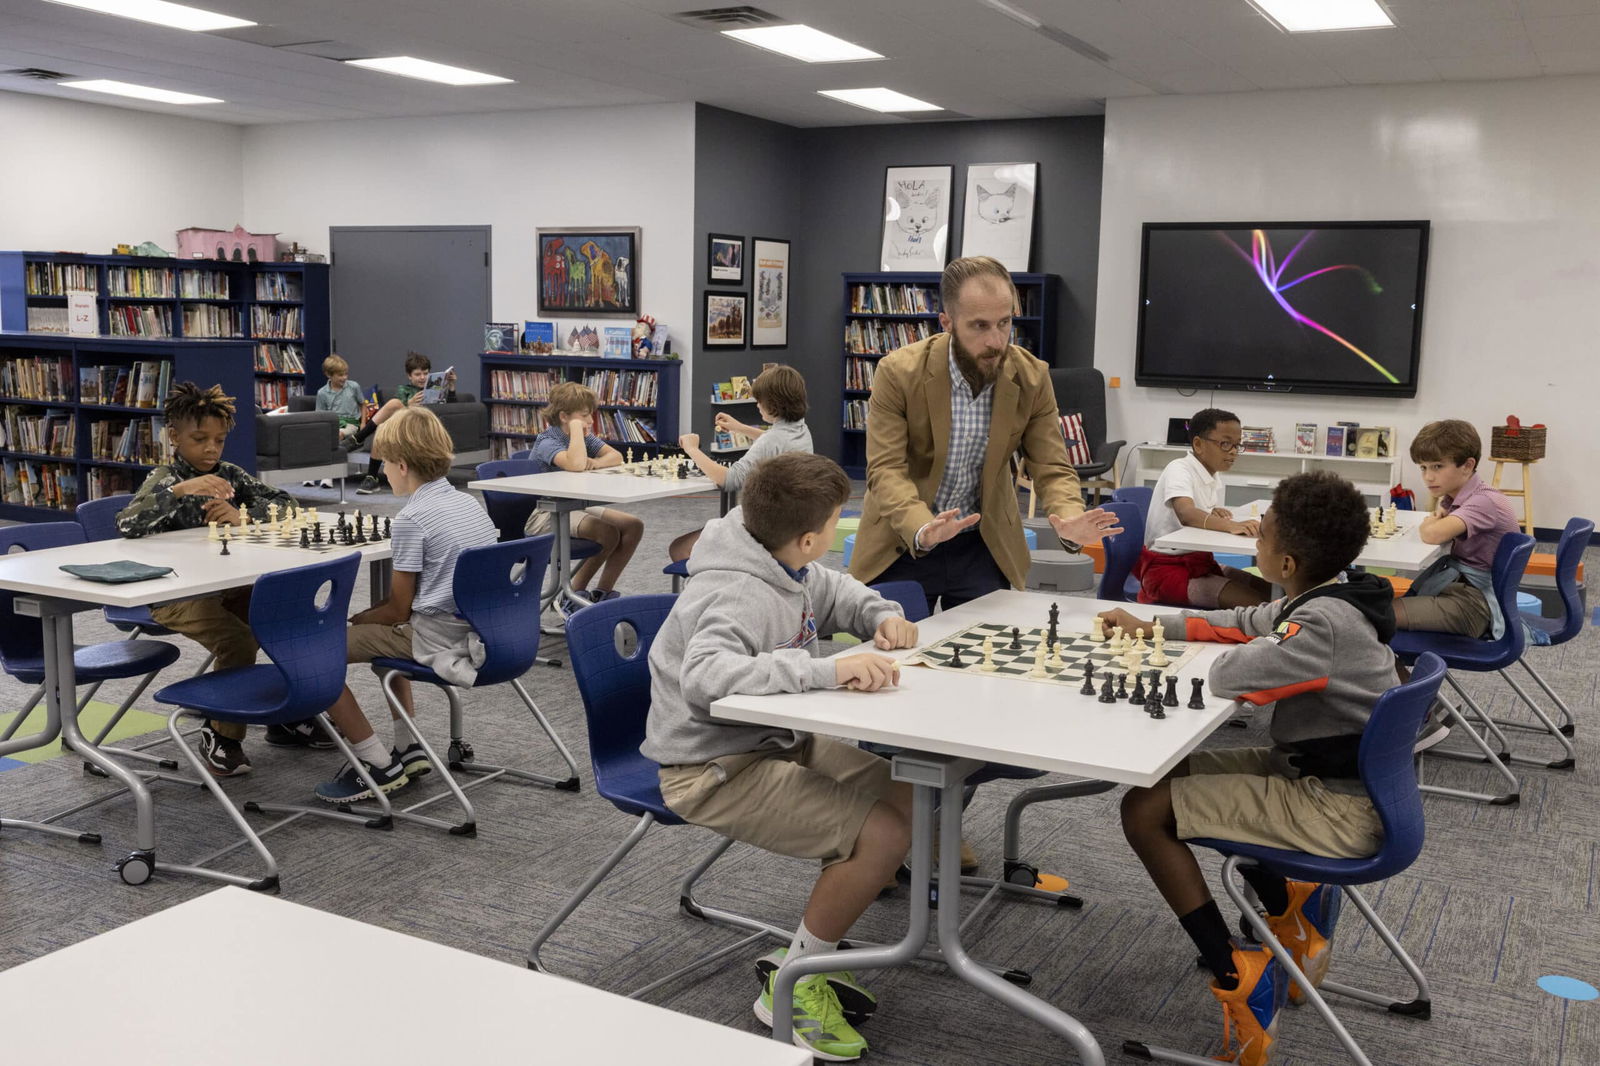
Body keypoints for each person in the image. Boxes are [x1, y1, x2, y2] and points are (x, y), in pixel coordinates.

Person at [1099, 472, 1397, 1066]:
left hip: (1339, 806)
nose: (1251, 539)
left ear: (1284, 562)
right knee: (1167, 774)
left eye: (1260, 536)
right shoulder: (1335, 598)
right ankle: (1290, 905)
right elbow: (1249, 623)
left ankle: (1237, 969)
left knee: (1143, 809)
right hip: (1333, 776)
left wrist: (1225, 645)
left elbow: (1229, 674)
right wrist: (1155, 626)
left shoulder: (1319, 626)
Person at [642, 452, 917, 1062]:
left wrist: (881, 615)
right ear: (810, 537)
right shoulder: (734, 589)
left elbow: (836, 590)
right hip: (710, 769)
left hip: (774, 738)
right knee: (884, 834)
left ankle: (801, 953)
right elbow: (705, 678)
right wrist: (824, 669)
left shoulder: (783, 560)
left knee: (909, 794)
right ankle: (793, 985)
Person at [850, 255, 1120, 613]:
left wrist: (1069, 518)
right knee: (893, 661)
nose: (996, 340)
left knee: (983, 658)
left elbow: (1052, 466)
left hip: (983, 543)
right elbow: (885, 471)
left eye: (1004, 323)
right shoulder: (899, 373)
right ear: (946, 321)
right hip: (904, 539)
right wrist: (923, 527)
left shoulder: (1031, 376)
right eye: (979, 326)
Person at [116, 382, 323, 776]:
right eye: (200, 439)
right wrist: (180, 490)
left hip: (226, 584)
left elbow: (287, 503)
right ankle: (221, 733)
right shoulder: (165, 477)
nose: (211, 449)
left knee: (284, 621)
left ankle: (281, 715)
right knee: (237, 639)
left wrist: (242, 515)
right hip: (172, 594)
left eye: (219, 440)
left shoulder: (229, 474)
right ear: (175, 437)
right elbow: (126, 523)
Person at [314, 407, 499, 803]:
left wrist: (360, 619)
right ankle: (409, 747)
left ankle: (376, 764)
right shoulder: (469, 503)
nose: (381, 474)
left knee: (313, 656)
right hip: (477, 629)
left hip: (436, 636)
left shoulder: (412, 519)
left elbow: (397, 613)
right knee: (379, 645)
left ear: (401, 464)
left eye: (383, 465)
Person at [522, 380, 644, 614]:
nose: (591, 422)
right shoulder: (548, 441)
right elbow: (576, 464)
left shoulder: (583, 439)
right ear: (564, 416)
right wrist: (577, 430)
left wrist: (596, 461)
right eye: (585, 416)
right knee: (606, 532)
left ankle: (601, 594)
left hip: (575, 507)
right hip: (546, 513)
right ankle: (573, 595)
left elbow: (616, 456)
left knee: (633, 526)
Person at [671, 363, 813, 562]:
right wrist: (740, 428)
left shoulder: (770, 441)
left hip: (762, 530)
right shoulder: (801, 429)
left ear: (772, 404)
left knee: (679, 548)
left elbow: (729, 479)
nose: (757, 405)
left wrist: (692, 449)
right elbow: (776, 440)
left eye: (759, 401)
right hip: (789, 523)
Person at [1393, 419, 1519, 639]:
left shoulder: (1483, 501)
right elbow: (1439, 515)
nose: (1428, 476)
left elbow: (1432, 533)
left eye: (1437, 466)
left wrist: (1430, 522)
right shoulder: (1458, 496)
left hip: (1474, 605)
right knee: (1372, 600)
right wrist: (1436, 518)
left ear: (1468, 466)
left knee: (1374, 615)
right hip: (1460, 589)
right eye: (1423, 467)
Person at [1137, 408, 1272, 608]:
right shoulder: (1179, 467)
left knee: (1271, 591)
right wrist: (1232, 525)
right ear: (1199, 444)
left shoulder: (1211, 474)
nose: (1233, 451)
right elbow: (1186, 514)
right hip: (1165, 570)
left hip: (1200, 563)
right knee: (1261, 604)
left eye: (1237, 445)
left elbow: (1195, 509)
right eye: (1225, 444)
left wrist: (1211, 512)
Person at [348, 351, 457, 495]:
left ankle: (359, 438)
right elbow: (397, 415)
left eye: (425, 373)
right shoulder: (404, 390)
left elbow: (453, 408)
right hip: (404, 428)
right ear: (409, 376)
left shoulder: (437, 388)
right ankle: (371, 477)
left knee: (391, 410)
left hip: (425, 428)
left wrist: (451, 386)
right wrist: (409, 404)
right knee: (384, 423)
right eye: (418, 374)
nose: (422, 377)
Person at [304, 354, 364, 488]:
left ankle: (327, 475)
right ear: (328, 375)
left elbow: (362, 405)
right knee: (316, 438)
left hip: (350, 423)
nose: (344, 378)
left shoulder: (353, 387)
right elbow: (320, 415)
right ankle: (311, 474)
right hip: (331, 423)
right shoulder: (322, 393)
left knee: (336, 435)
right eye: (340, 375)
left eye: (345, 374)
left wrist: (363, 423)